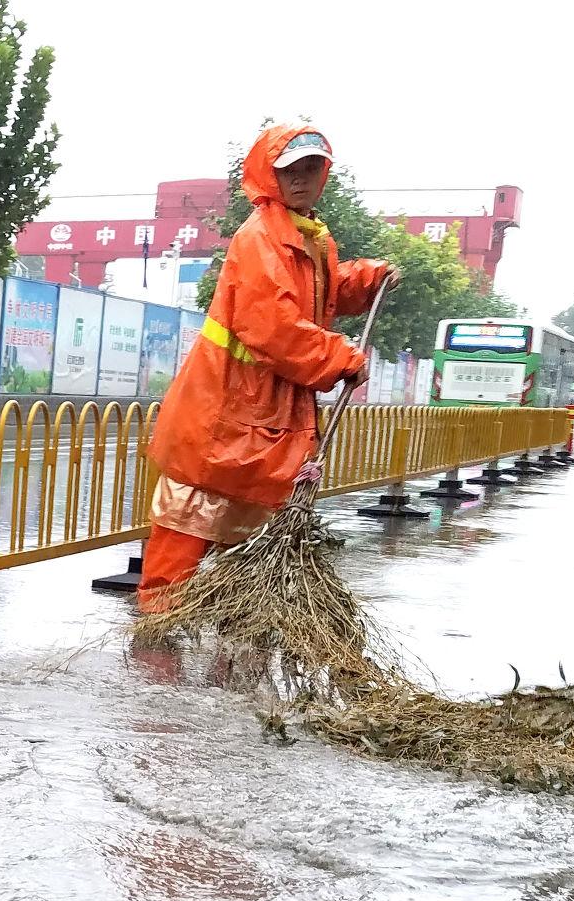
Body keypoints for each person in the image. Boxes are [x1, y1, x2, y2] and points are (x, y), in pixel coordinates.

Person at [137, 125, 392, 608]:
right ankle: (156, 648)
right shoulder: (260, 238)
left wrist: (366, 280)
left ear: (324, 175)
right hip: (225, 412)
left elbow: (317, 290)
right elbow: (273, 326)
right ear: (268, 175)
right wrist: (340, 358)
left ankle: (223, 643)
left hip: (258, 416)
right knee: (186, 527)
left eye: (311, 168)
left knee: (245, 543)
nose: (300, 178)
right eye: (289, 170)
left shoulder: (306, 236)